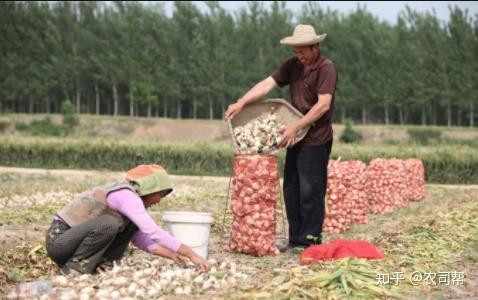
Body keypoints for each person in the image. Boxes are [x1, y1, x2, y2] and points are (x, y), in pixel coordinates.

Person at [225, 24, 337, 252]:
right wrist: (242, 102)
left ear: (315, 47)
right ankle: (295, 240)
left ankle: (310, 242)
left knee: (310, 190)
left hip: (315, 138)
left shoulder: (326, 68)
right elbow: (267, 84)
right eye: (295, 51)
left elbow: (323, 104)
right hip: (293, 136)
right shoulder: (293, 66)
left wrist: (297, 125)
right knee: (292, 189)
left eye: (302, 51)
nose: (299, 56)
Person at [45, 164, 210, 274]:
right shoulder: (126, 195)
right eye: (159, 195)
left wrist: (171, 255)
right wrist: (190, 253)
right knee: (108, 224)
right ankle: (75, 269)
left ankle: (103, 266)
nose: (158, 201)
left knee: (129, 227)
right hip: (60, 242)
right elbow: (152, 231)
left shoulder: (132, 202)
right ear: (149, 189)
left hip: (74, 243)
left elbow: (139, 238)